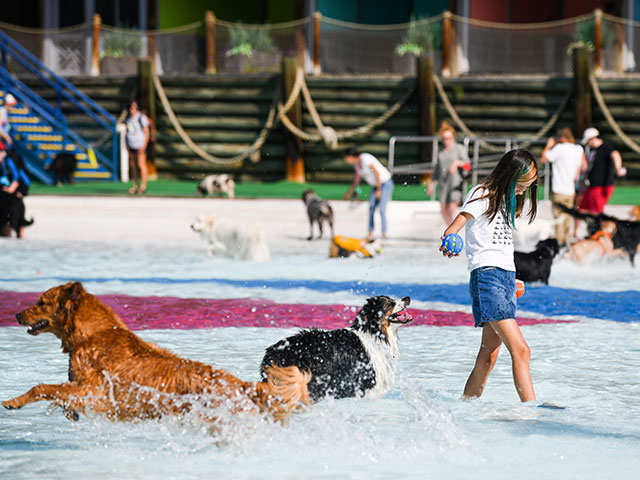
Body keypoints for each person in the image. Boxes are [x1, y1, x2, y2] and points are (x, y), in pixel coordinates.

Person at [440, 149, 539, 402]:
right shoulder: (482, 193)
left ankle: (466, 405)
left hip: (503, 279)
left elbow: (500, 247)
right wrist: (450, 239)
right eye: (523, 185)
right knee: (521, 350)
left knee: (488, 356)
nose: (524, 190)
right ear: (510, 175)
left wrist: (512, 278)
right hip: (487, 278)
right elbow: (454, 226)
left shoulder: (507, 201)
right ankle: (530, 411)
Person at [540, 127, 587, 246]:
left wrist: (549, 145)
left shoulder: (559, 148)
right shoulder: (578, 149)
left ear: (561, 137)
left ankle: (559, 245)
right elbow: (583, 167)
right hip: (570, 190)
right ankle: (566, 243)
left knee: (559, 218)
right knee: (568, 218)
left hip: (559, 189)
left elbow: (544, 159)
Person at [343, 147, 394, 240]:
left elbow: (377, 173)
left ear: (350, 156)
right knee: (371, 208)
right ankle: (370, 232)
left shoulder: (365, 158)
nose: (345, 160)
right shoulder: (357, 166)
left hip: (385, 183)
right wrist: (348, 193)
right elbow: (356, 181)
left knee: (381, 209)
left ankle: (384, 232)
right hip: (376, 186)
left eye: (346, 158)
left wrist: (379, 190)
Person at [427, 121, 470, 225]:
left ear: (453, 137)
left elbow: (468, 166)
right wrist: (431, 183)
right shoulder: (440, 151)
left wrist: (457, 163)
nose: (447, 141)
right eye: (444, 138)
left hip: (455, 183)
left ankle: (453, 231)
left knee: (452, 207)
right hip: (443, 184)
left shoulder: (459, 149)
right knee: (443, 209)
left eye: (449, 138)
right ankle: (449, 228)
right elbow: (437, 169)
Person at [579, 127, 626, 215]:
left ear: (592, 139)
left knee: (596, 212)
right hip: (593, 185)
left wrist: (618, 168)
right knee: (582, 208)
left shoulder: (606, 147)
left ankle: (598, 228)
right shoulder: (593, 151)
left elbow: (615, 155)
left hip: (601, 186)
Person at [124, 100, 149, 194]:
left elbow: (146, 132)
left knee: (141, 164)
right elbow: (127, 132)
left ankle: (143, 186)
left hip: (140, 144)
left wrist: (144, 145)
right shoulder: (128, 119)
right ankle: (135, 186)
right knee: (133, 165)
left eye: (134, 108)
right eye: (131, 108)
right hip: (131, 144)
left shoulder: (141, 117)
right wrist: (126, 144)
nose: (132, 110)